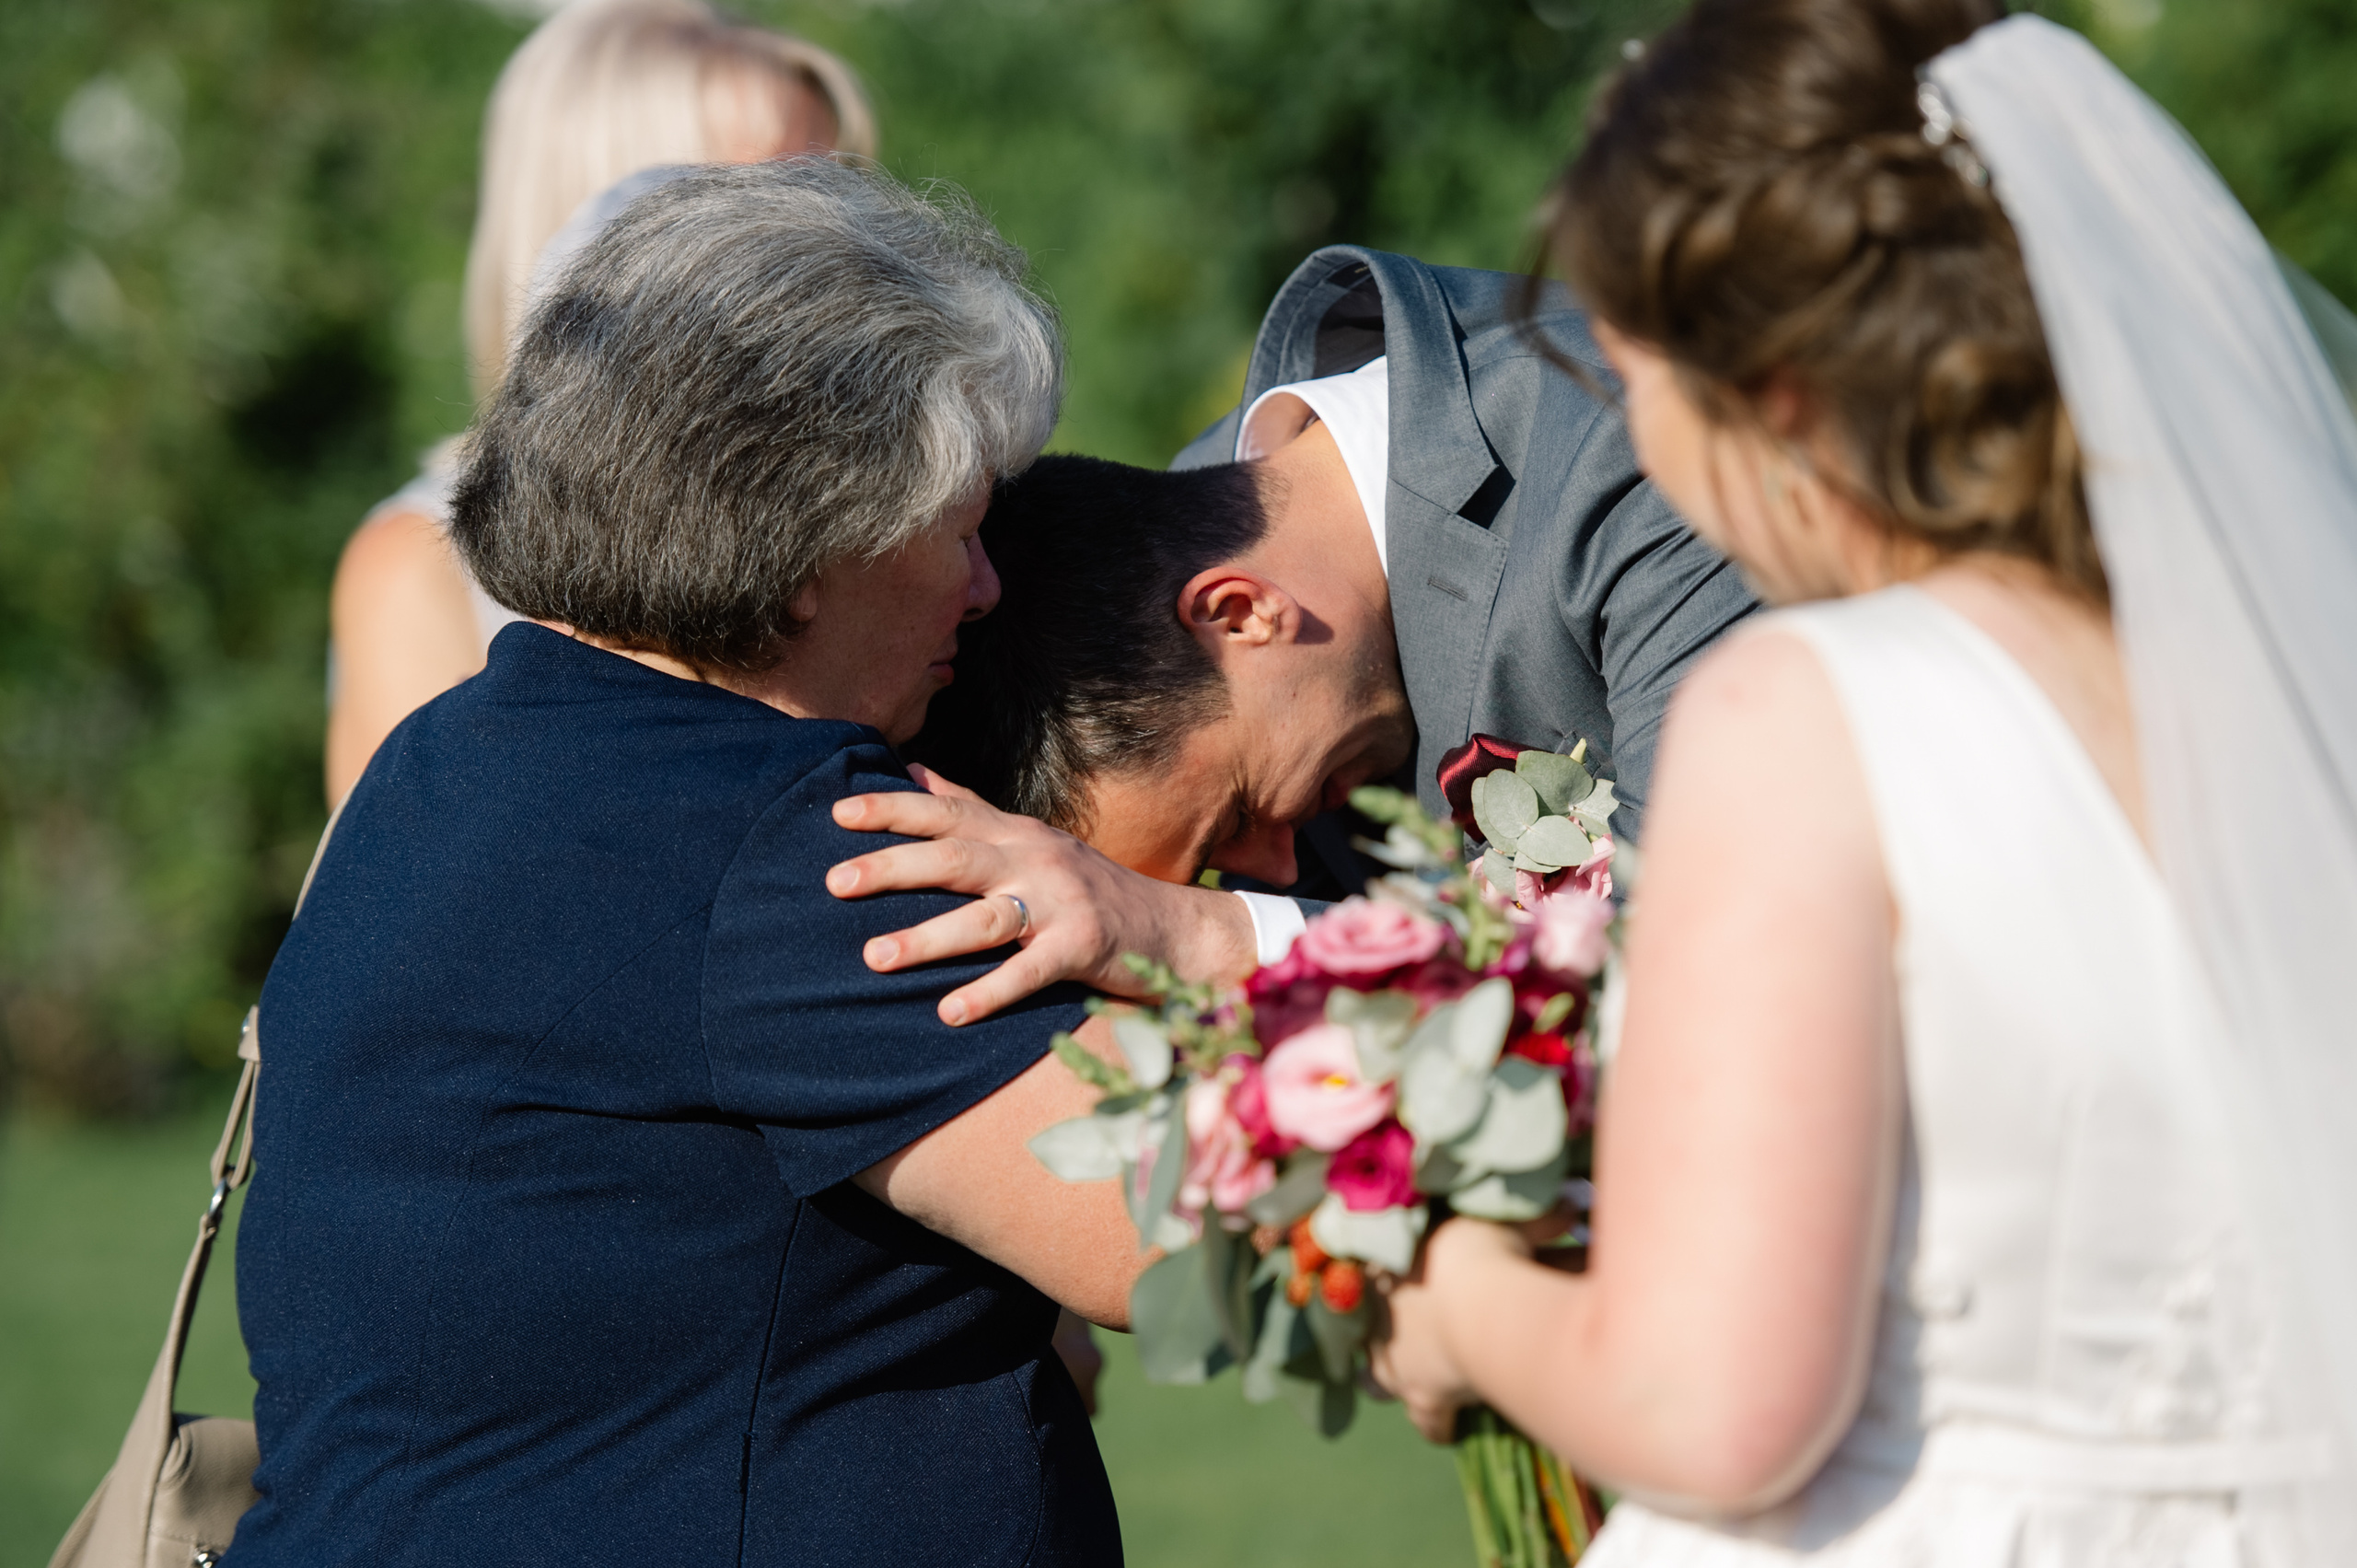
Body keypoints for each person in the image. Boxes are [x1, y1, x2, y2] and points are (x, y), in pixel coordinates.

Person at [1367, 1, 2357, 1562]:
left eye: (1639, 385)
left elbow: (1712, 1404)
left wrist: (1453, 1305)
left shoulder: (1814, 711)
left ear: (1768, 393)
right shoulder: (2301, 671)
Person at [232, 160, 1160, 1566]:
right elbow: (1182, 1230)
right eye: (962, 522)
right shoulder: (777, 843)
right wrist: (1208, 935)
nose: (985, 583)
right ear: (811, 540)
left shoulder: (453, 754)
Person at [828, 248, 1757, 1024]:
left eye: (1235, 816)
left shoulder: (1641, 459)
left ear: (1240, 613)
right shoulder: (1195, 520)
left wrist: (1201, 936)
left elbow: (1719, 950)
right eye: (1223, 877)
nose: (1281, 871)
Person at [323, 0, 875, 805]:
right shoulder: (424, 570)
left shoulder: (903, 526)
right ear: (609, 215)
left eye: (839, 187)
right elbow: (417, 917)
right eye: (779, 193)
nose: (852, 239)